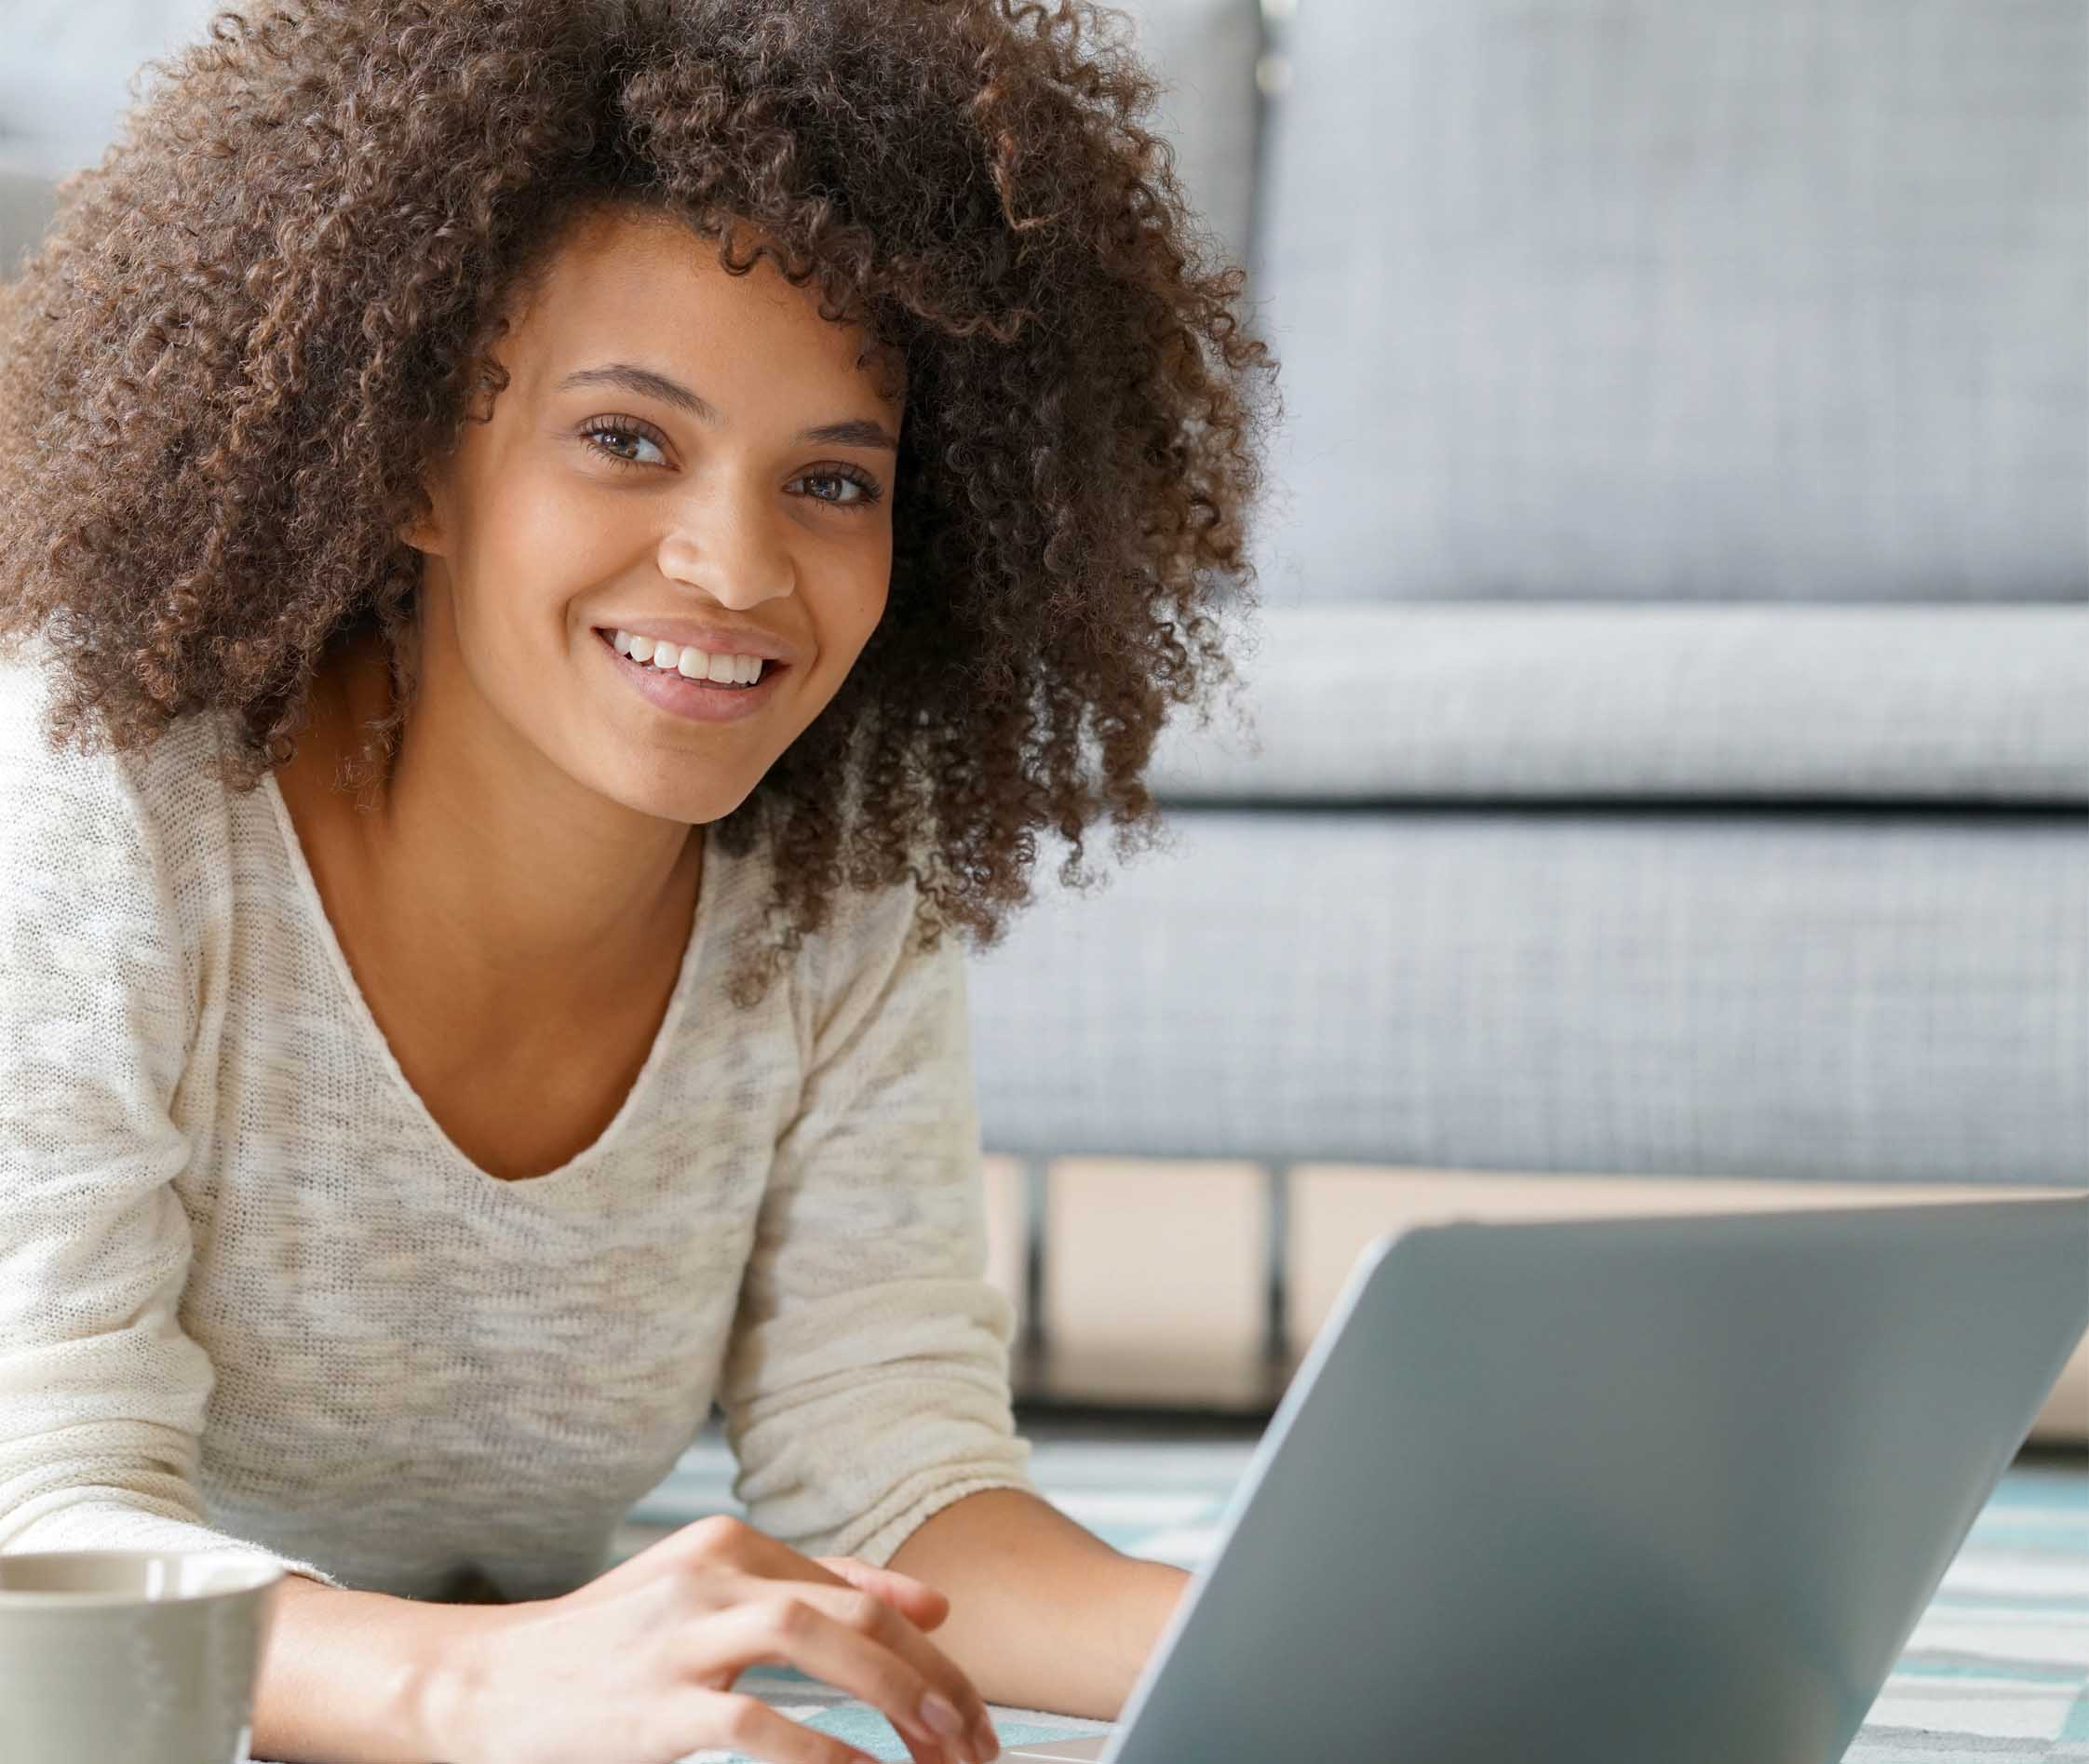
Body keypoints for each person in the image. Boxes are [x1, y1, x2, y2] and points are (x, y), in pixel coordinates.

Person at [0, 1, 1274, 1760]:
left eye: (833, 480)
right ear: (413, 460)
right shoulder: (102, 805)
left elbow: (895, 1479)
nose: (736, 565)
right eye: (626, 438)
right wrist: (475, 1688)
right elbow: (30, 1542)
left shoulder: (835, 871)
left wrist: (1334, 1644)